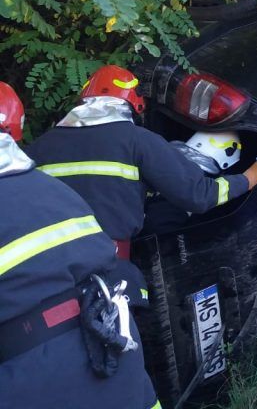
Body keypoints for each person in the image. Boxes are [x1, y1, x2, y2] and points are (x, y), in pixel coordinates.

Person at [28, 65, 257, 306]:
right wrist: (250, 177)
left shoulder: (40, 147)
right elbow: (199, 196)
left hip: (43, 263)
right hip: (101, 262)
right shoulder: (138, 141)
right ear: (133, 105)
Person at [0, 82, 160, 409]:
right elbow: (196, 194)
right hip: (113, 346)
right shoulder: (54, 190)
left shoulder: (46, 154)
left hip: (30, 377)